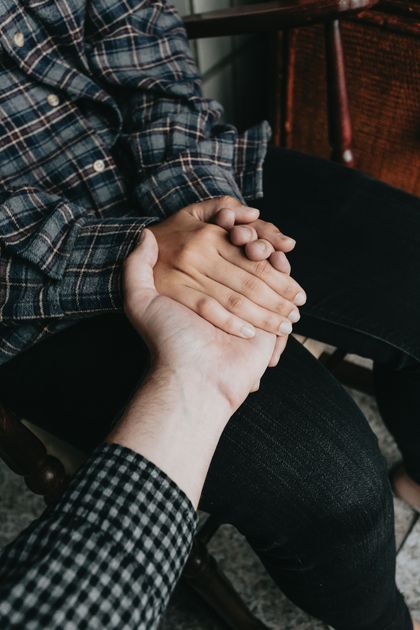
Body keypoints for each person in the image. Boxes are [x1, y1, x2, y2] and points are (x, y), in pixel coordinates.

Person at [0, 1, 420, 628]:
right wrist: (138, 256)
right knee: (329, 483)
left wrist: (203, 205)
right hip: (34, 286)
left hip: (164, 173)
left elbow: (143, 40)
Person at [0, 229, 279, 628]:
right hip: (56, 310)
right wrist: (140, 247)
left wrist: (220, 226)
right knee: (333, 486)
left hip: (184, 241)